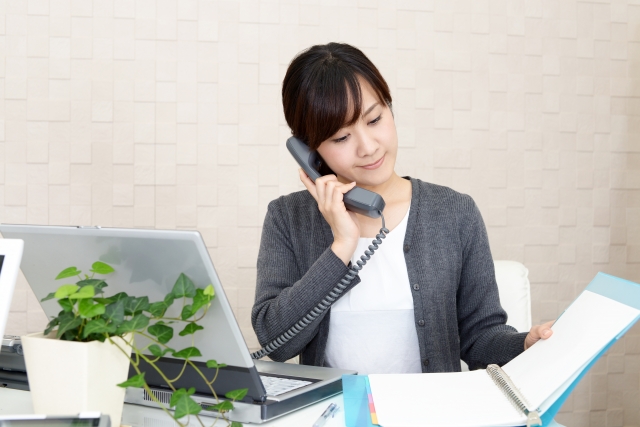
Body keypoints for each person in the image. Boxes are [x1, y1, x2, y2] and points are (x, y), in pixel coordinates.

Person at [251, 42, 553, 374]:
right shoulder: (287, 218)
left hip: (432, 404)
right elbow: (276, 343)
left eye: (374, 119)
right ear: (310, 151)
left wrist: (523, 345)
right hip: (338, 405)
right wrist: (342, 246)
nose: (368, 147)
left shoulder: (455, 212)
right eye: (341, 138)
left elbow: (480, 339)